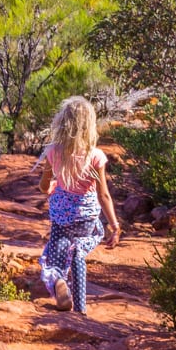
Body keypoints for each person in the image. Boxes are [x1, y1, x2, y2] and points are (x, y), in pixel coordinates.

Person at [37, 96, 120, 314]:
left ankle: (58, 283)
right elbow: (104, 195)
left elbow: (44, 187)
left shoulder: (54, 152)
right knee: (78, 253)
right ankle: (81, 308)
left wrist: (54, 185)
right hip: (87, 219)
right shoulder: (96, 156)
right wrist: (114, 225)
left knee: (54, 258)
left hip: (62, 219)